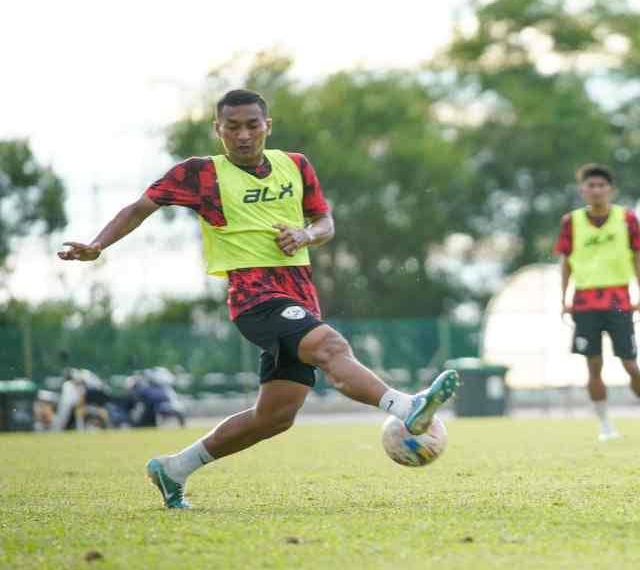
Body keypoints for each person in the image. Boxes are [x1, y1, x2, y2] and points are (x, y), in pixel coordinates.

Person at [58, 89, 459, 508]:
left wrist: (305, 234)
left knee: (275, 417)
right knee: (330, 346)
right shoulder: (200, 174)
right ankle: (406, 405)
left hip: (299, 298)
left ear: (267, 125)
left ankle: (173, 468)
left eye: (252, 125)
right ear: (218, 130)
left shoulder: (296, 165)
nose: (243, 135)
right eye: (232, 127)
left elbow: (324, 221)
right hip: (254, 299)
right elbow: (141, 207)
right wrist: (98, 244)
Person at [555, 164, 640, 442]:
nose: (596, 190)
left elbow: (638, 258)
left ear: (611, 190)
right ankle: (605, 425)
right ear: (583, 191)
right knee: (593, 367)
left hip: (619, 301)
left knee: (630, 364)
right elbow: (565, 262)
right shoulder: (571, 221)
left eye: (601, 186)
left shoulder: (627, 218)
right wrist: (564, 299)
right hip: (584, 303)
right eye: (590, 186)